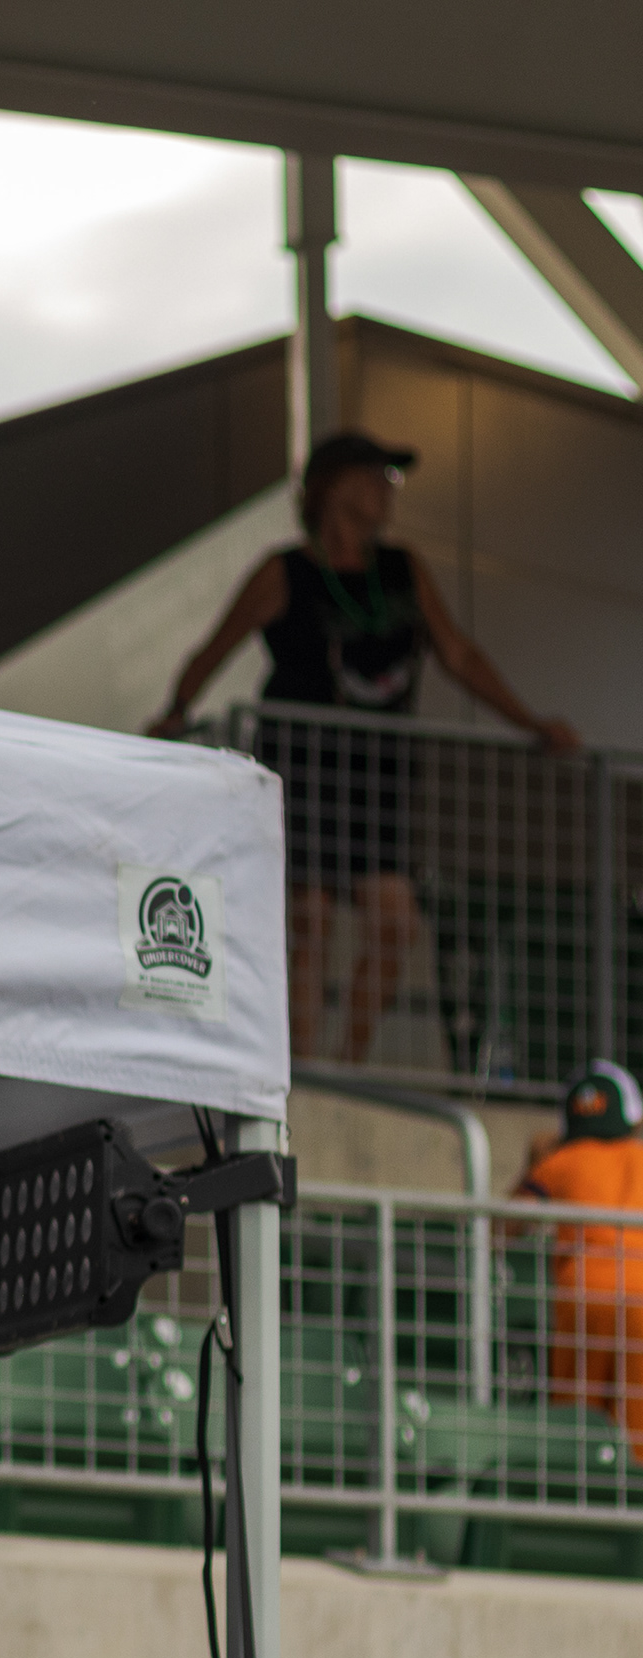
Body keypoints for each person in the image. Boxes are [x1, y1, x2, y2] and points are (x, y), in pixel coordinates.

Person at [150, 429, 582, 1062]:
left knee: (395, 923)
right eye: (378, 477)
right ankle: (300, 1073)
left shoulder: (402, 570)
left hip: (376, 781)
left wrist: (532, 722)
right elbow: (214, 648)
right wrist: (175, 713)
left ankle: (345, 1065)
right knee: (312, 921)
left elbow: (458, 653)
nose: (388, 492)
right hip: (302, 771)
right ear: (335, 487)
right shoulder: (286, 571)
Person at [515, 1059, 643, 1460]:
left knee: (576, 1434)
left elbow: (501, 1227)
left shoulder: (559, 1162)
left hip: (583, 1295)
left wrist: (531, 1165)